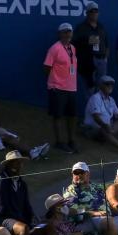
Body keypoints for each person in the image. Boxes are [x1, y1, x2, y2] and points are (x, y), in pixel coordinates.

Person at [63, 162, 118, 235]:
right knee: (108, 221)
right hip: (85, 221)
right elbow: (71, 211)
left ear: (88, 174)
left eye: (81, 173)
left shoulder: (96, 187)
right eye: (76, 173)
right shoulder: (71, 190)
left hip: (105, 217)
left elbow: (110, 198)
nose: (79, 175)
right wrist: (94, 213)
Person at [0, 151, 50, 235]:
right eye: (15, 162)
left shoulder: (21, 183)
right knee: (23, 228)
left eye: (20, 162)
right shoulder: (1, 181)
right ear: (8, 165)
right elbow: (2, 208)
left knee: (47, 225)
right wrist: (24, 221)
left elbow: (26, 205)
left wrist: (33, 217)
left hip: (18, 219)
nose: (18, 165)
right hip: (2, 220)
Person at [44, 22, 79, 154]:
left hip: (71, 88)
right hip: (57, 88)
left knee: (72, 116)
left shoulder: (72, 48)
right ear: (59, 34)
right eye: (64, 31)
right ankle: (59, 142)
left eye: (69, 31)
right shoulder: (55, 48)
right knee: (58, 116)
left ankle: (71, 140)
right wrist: (54, 81)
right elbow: (47, 66)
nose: (67, 34)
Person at [72, 2, 109, 92]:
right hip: (87, 61)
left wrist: (106, 58)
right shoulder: (80, 28)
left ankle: (99, 106)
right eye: (91, 11)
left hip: (101, 60)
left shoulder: (101, 27)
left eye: (96, 11)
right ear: (87, 13)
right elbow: (73, 44)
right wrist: (87, 41)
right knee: (90, 88)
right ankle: (91, 106)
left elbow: (107, 43)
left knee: (102, 87)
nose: (94, 13)